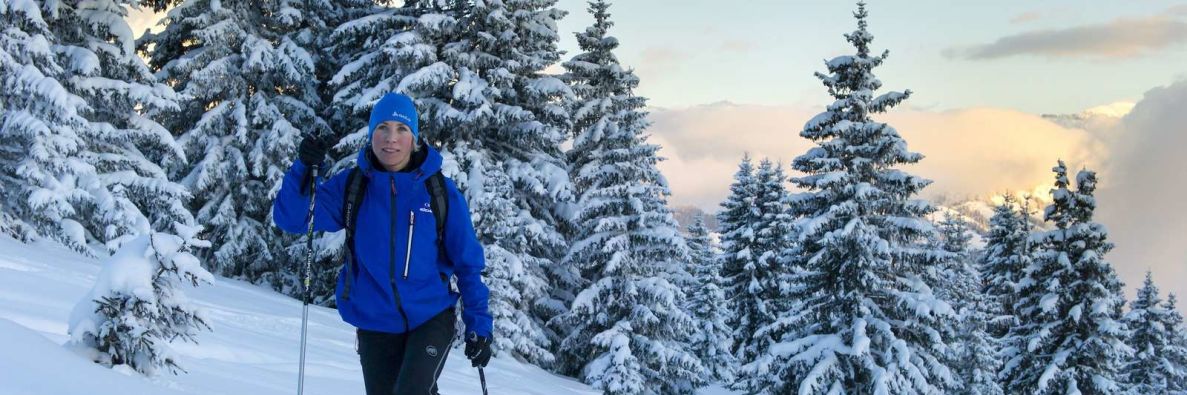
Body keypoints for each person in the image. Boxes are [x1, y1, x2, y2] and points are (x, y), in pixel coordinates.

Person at [272, 92, 493, 395]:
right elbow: (292, 218)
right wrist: (303, 168)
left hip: (430, 316)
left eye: (402, 129)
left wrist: (478, 323)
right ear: (371, 134)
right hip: (376, 322)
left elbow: (467, 262)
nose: (391, 139)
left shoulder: (438, 190)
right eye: (382, 128)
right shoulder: (353, 186)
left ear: (414, 137)